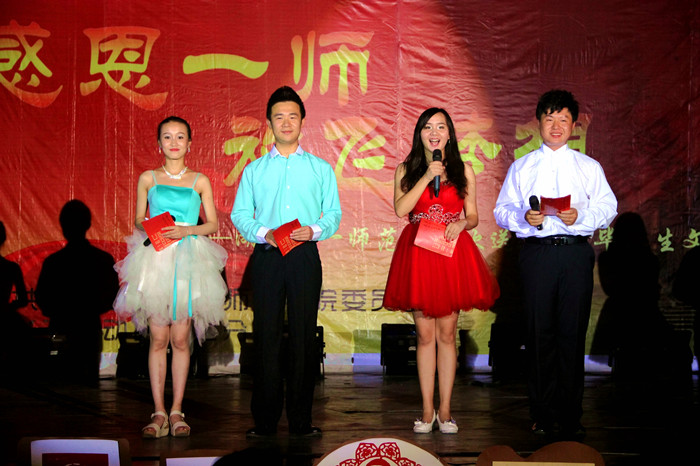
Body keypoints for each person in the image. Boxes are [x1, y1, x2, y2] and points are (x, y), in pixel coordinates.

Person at [494, 90, 617, 437]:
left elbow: (608, 206)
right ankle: (542, 414)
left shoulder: (588, 166)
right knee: (538, 334)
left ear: (574, 125)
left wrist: (581, 216)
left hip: (575, 253)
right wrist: (524, 217)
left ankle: (571, 414)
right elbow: (502, 210)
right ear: (539, 123)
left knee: (571, 333)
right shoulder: (522, 166)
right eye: (550, 119)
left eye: (563, 119)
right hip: (537, 254)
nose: (556, 125)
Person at [231, 86, 341, 437]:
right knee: (266, 335)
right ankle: (264, 420)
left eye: (293, 116)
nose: (286, 122)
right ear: (269, 123)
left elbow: (334, 214)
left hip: (304, 255)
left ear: (303, 121)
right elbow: (239, 214)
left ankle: (300, 420)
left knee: (303, 335)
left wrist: (314, 230)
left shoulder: (320, 168)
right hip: (268, 256)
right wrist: (264, 233)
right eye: (279, 117)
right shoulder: (254, 170)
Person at [383, 108, 500, 434]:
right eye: (428, 127)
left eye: (441, 127)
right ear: (419, 133)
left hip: (450, 252)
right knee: (424, 336)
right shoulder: (406, 169)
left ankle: (446, 410)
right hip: (419, 253)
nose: (434, 133)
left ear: (449, 134)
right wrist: (426, 176)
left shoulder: (464, 170)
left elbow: (473, 215)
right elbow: (401, 209)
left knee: (447, 335)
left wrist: (462, 223)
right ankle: (427, 409)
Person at [113, 116, 228, 438]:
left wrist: (186, 230)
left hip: (189, 259)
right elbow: (138, 219)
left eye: (180, 137)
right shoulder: (148, 178)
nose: (174, 142)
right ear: (158, 143)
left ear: (189, 143)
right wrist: (154, 224)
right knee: (158, 339)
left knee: (180, 339)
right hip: (157, 257)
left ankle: (177, 409)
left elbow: (213, 224)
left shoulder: (199, 180)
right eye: (167, 136)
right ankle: (158, 411)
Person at [35, 200, 120, 384]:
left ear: (62, 226)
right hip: (89, 328)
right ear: (88, 224)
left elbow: (42, 297)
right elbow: (112, 294)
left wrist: (60, 311)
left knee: (60, 383)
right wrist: (90, 308)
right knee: (88, 384)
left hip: (61, 327)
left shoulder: (53, 262)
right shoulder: (102, 260)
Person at [0, 220, 30, 377]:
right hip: (6, 318)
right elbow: (23, 299)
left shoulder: (11, 268)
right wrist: (8, 308)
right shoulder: (11, 268)